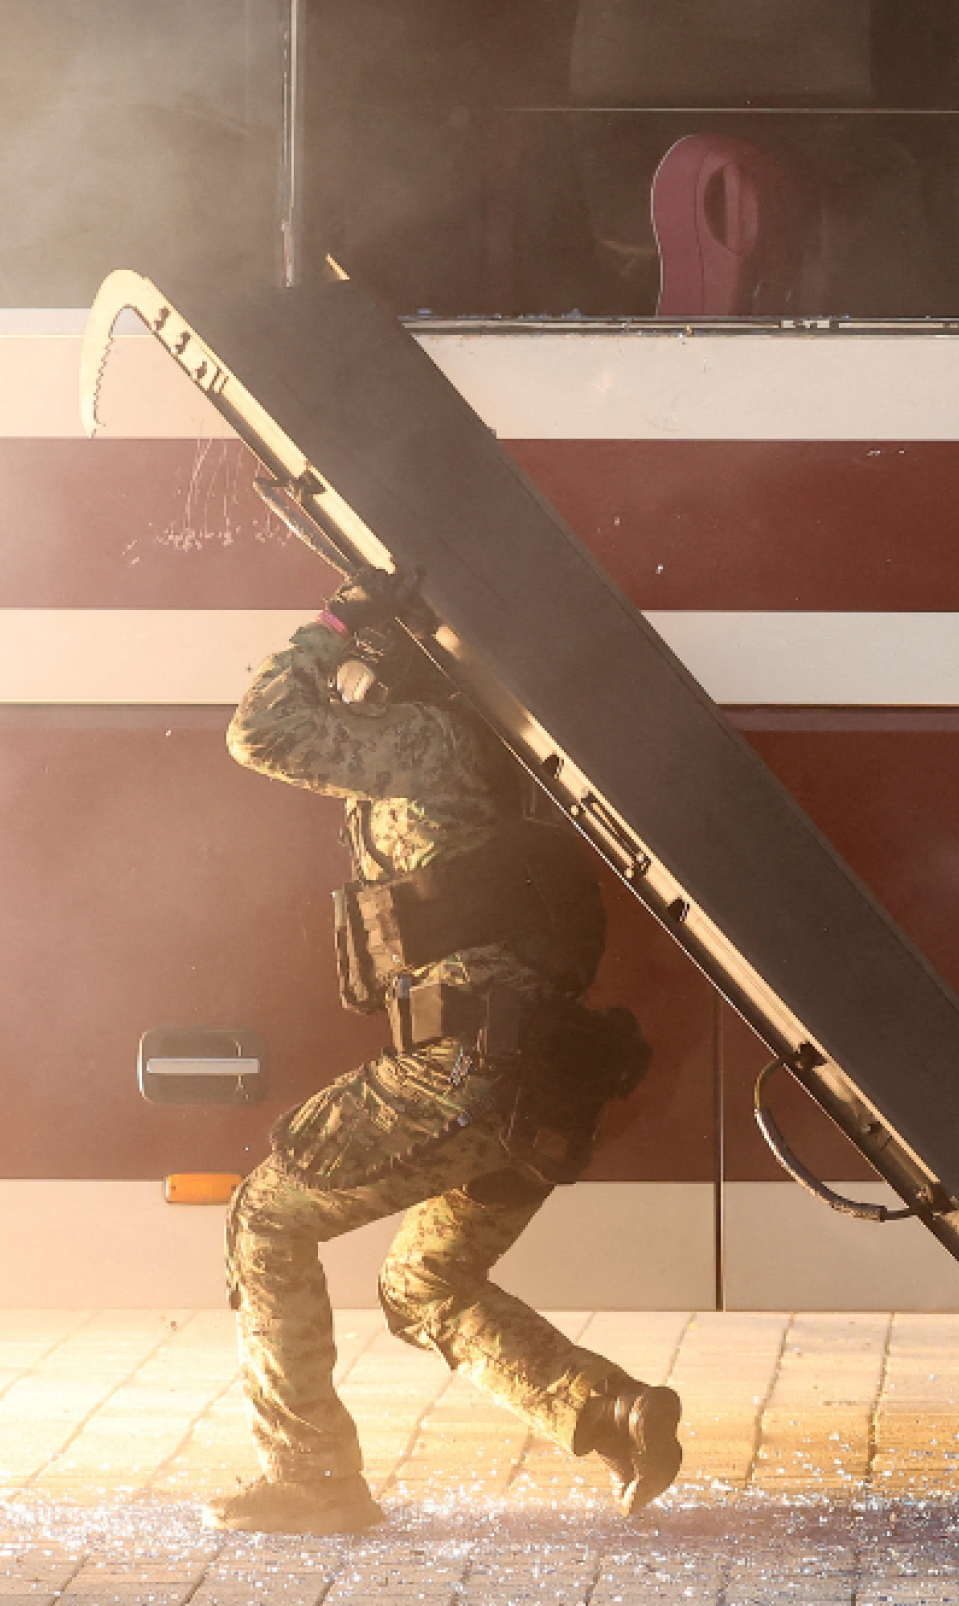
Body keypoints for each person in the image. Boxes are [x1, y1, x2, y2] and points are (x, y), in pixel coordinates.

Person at [204, 575, 678, 1535]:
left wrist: (331, 626)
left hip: (458, 1073)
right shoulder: (488, 754)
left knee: (265, 1218)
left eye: (368, 676)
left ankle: (312, 1477)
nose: (358, 693)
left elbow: (260, 730)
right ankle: (614, 1412)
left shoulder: (433, 740)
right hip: (532, 1077)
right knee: (424, 1282)